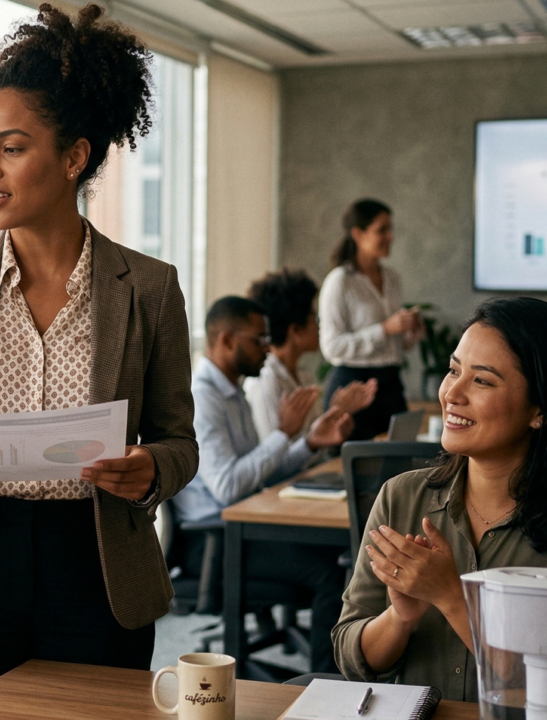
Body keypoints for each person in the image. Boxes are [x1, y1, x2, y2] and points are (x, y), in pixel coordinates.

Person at [0, 5, 198, 716]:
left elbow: (179, 440)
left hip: (95, 567)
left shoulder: (148, 288)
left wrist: (151, 470)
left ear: (75, 156)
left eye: (11, 148)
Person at [333, 297, 547, 702]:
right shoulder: (401, 496)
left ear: (542, 410)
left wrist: (452, 597)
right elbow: (350, 655)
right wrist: (399, 618)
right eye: (454, 370)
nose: (452, 392)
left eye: (482, 380)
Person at [170, 296, 353, 673]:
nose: (267, 348)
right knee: (328, 572)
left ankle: (329, 673)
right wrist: (283, 434)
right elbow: (227, 487)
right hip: (213, 544)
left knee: (339, 557)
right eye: (259, 339)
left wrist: (308, 442)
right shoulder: (202, 398)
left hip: (240, 530)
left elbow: (258, 473)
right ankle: (323, 685)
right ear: (226, 340)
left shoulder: (232, 393)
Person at [318, 199, 423, 440]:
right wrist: (384, 329)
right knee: (359, 466)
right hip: (354, 388)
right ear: (357, 234)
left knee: (399, 463)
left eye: (390, 229)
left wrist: (409, 330)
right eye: (381, 230)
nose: (391, 237)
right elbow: (331, 347)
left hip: (391, 384)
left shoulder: (392, 278)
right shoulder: (340, 281)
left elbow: (398, 346)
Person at [244, 268, 377, 444]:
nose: (320, 326)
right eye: (315, 319)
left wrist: (335, 412)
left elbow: (317, 447)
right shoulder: (265, 382)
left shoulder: (304, 378)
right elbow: (275, 461)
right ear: (295, 330)